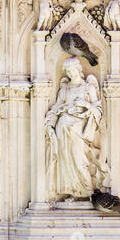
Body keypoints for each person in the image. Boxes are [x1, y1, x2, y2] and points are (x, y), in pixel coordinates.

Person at [45, 57, 109, 201]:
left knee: (80, 161)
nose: (71, 73)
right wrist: (50, 123)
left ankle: (88, 193)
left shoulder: (88, 88)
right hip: (63, 130)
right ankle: (74, 193)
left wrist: (85, 105)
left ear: (79, 69)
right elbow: (56, 108)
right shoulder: (65, 90)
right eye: (68, 71)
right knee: (67, 162)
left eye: (73, 69)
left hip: (79, 131)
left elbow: (98, 109)